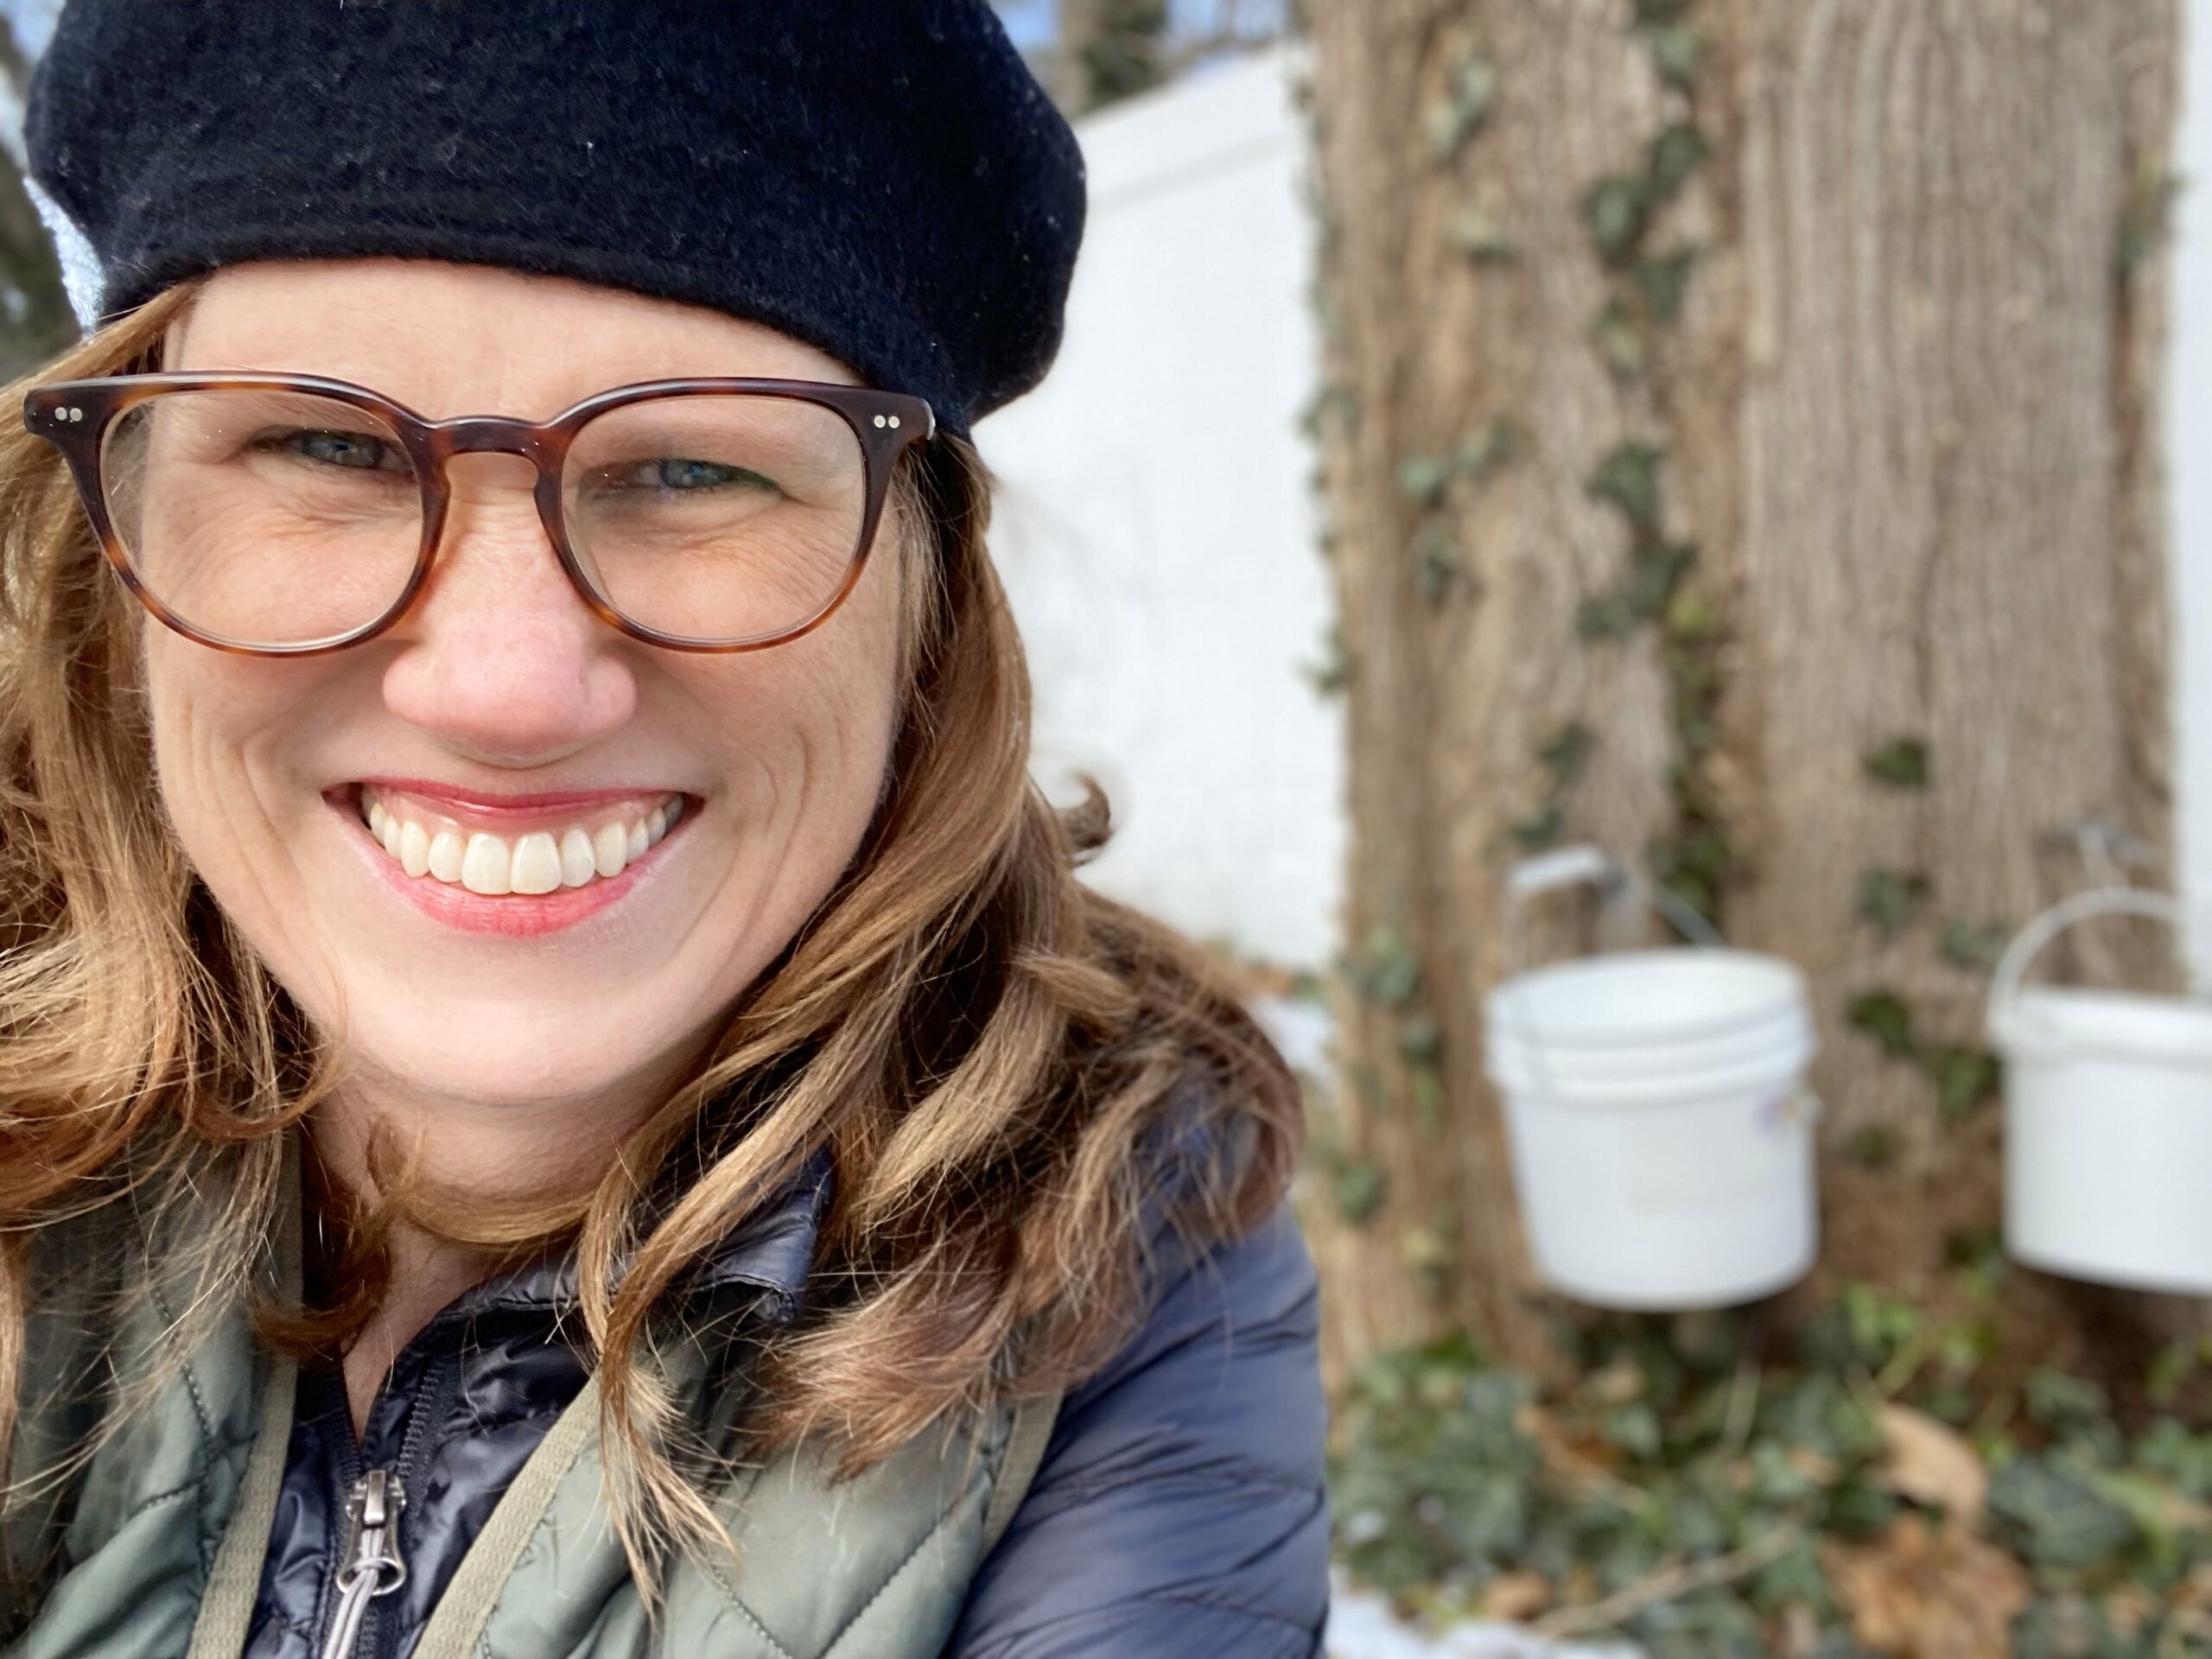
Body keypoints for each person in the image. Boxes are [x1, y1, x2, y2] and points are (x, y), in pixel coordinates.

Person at [0, 4, 1329, 1656]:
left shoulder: (1115, 1245)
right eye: (327, 446)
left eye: (692, 471)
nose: (506, 688)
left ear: (921, 605)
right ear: (114, 531)